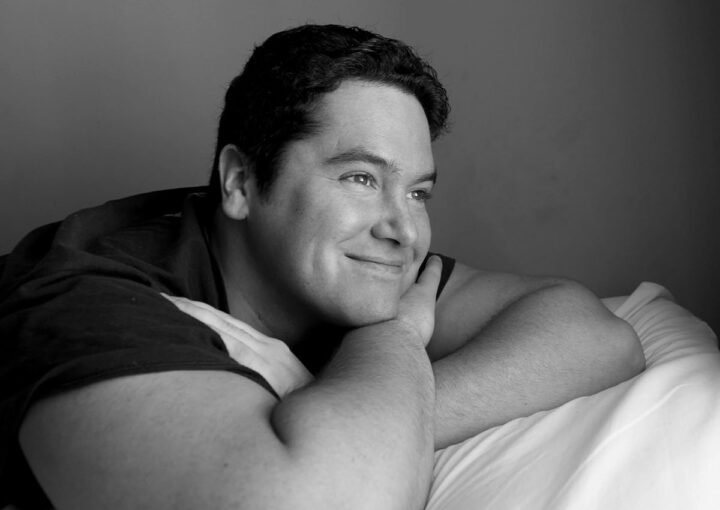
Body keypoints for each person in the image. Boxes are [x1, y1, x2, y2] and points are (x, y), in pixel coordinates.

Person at [0, 24, 645, 510]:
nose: (404, 230)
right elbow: (333, 497)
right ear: (241, 183)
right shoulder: (84, 298)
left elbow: (595, 337)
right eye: (361, 178)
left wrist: (381, 392)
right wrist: (397, 341)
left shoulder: (343, 265)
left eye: (418, 192)